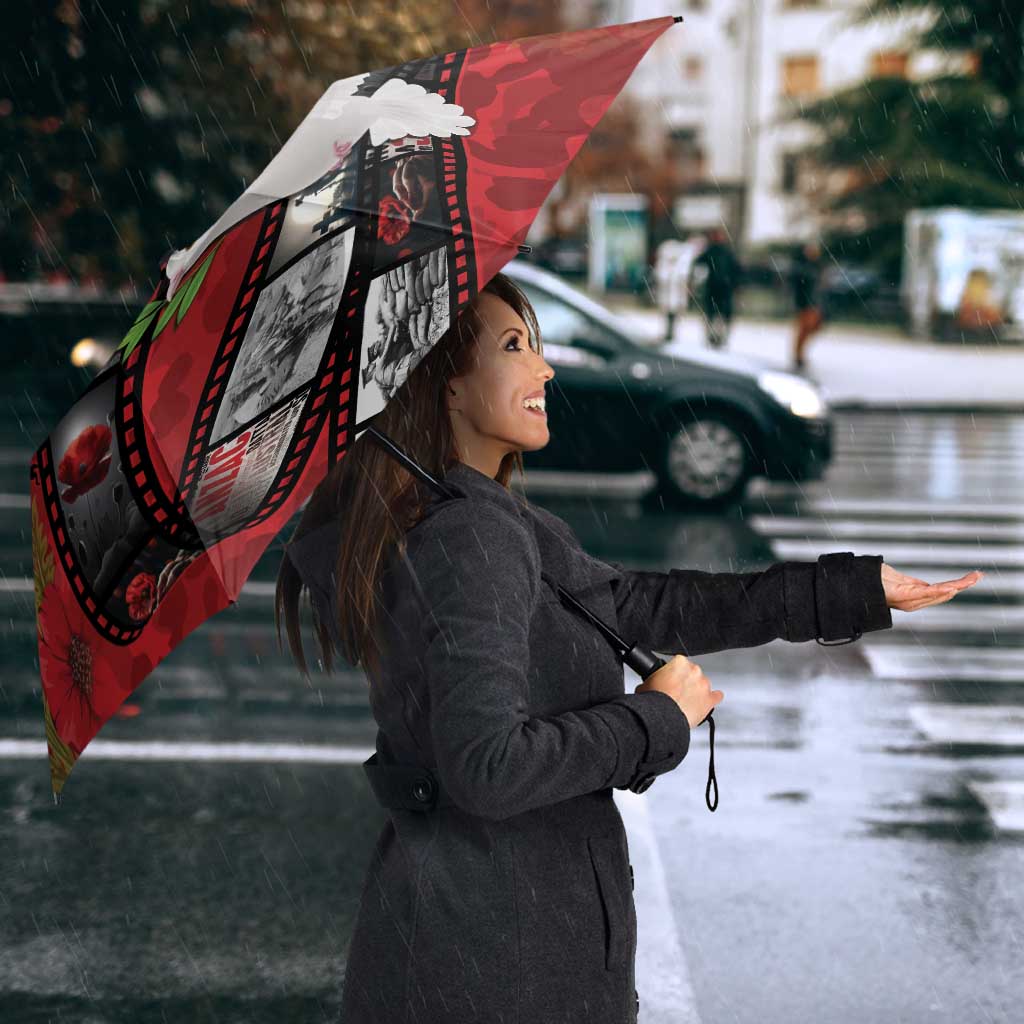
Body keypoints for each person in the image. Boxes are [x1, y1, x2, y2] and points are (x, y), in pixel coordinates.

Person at [275, 271, 979, 1024]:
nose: (544, 368)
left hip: (480, 943)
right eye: (514, 346)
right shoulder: (469, 536)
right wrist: (655, 719)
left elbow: (640, 605)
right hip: (498, 963)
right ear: (445, 385)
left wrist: (850, 591)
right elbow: (487, 767)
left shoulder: (477, 516)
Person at [692, 226, 742, 349]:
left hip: (723, 288)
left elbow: (736, 270)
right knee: (713, 314)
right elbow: (698, 264)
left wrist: (735, 284)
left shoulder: (725, 252)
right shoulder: (712, 251)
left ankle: (719, 337)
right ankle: (713, 337)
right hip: (715, 288)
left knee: (720, 315)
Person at [790, 239, 826, 370]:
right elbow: (799, 286)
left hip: (814, 303)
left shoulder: (817, 266)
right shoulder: (802, 267)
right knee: (804, 329)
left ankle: (799, 354)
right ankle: (798, 355)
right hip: (805, 303)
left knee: (812, 328)